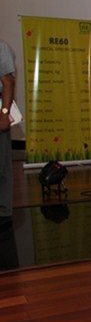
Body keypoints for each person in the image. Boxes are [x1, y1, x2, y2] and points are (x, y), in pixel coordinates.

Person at [0, 39, 17, 220]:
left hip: (0, 110)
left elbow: (8, 82)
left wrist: (4, 114)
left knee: (2, 165)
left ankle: (4, 212)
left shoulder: (1, 47)